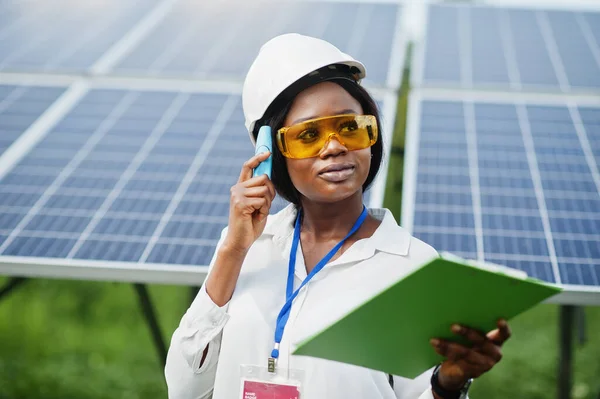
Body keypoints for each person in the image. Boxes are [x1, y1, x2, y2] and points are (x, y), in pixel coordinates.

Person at [165, 33, 511, 399]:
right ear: (270, 152)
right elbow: (185, 390)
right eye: (308, 134)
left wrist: (448, 383)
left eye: (349, 127)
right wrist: (234, 251)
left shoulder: (414, 265)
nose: (334, 147)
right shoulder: (246, 248)